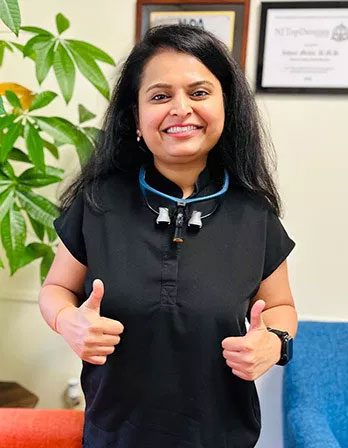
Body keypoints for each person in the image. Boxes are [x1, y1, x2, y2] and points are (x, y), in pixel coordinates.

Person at [39, 24, 297, 448]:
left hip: (221, 436)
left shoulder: (255, 213)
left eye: (199, 93)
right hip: (114, 436)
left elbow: (282, 305)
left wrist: (275, 342)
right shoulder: (98, 202)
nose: (181, 109)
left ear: (226, 106)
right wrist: (68, 321)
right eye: (160, 96)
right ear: (136, 118)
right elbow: (56, 288)